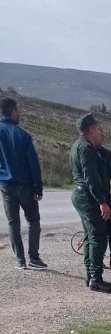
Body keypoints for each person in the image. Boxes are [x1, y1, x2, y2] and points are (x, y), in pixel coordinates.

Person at [69, 113, 111, 294]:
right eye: (97, 128)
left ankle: (91, 275)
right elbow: (90, 178)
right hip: (88, 197)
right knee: (98, 236)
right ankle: (96, 278)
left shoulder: (77, 146)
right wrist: (102, 202)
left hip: (81, 195)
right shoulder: (86, 148)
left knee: (90, 235)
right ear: (90, 130)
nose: (99, 131)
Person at [0, 97, 46, 269]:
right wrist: (38, 187)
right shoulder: (23, 135)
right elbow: (33, 163)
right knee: (33, 220)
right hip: (25, 185)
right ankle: (33, 257)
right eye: (18, 111)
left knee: (13, 224)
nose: (19, 114)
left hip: (6, 185)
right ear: (12, 112)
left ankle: (20, 261)